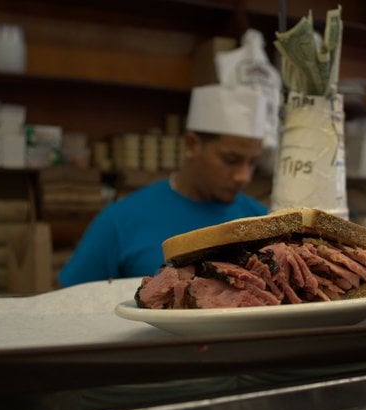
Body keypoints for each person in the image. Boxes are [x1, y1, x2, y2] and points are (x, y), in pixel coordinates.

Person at [58, 84, 270, 286]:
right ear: (191, 145)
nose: (244, 176)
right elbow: (69, 302)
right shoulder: (121, 220)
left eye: (252, 162)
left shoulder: (261, 222)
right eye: (231, 160)